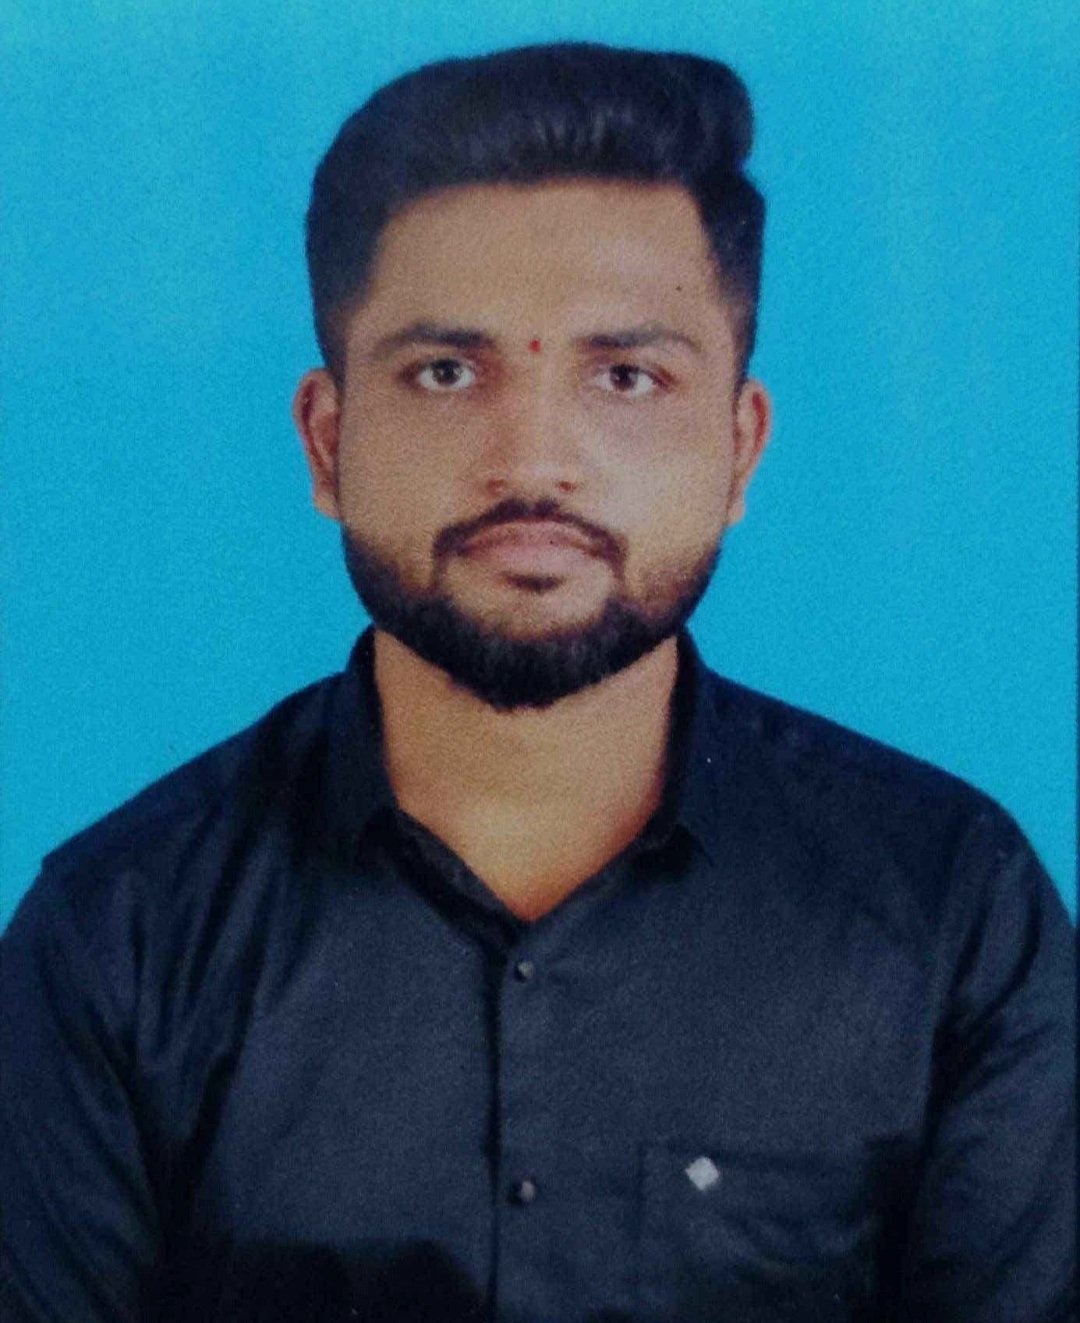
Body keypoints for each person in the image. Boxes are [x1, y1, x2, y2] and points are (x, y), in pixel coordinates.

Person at [0, 41, 1074, 1323]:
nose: (533, 459)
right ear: (328, 444)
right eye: (446, 373)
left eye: (626, 377)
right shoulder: (117, 933)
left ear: (740, 451)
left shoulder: (949, 907)